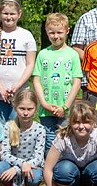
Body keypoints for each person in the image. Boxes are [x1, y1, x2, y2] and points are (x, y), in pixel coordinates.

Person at [0, 0, 37, 122]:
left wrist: (17, 87)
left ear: (19, 14)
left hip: (20, 93)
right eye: (5, 13)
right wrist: (0, 87)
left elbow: (30, 64)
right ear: (0, 14)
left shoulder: (27, 35)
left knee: (17, 128)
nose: (9, 17)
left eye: (12, 14)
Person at [32, 13, 82, 154]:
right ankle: (49, 166)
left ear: (67, 31)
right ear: (46, 32)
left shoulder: (72, 54)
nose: (55, 36)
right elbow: (36, 80)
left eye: (59, 32)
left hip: (66, 109)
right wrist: (44, 104)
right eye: (51, 33)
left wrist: (65, 107)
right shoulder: (43, 54)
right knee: (48, 140)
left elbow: (76, 82)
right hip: (46, 109)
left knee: (66, 139)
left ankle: (64, 165)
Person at [0, 90, 46, 186]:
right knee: (0, 167)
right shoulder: (9, 126)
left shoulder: (40, 129)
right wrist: (20, 164)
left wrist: (19, 168)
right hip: (13, 163)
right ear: (15, 107)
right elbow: (4, 153)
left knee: (35, 177)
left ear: (35, 108)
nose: (26, 113)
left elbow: (38, 158)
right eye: (22, 109)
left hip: (32, 166)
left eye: (30, 109)